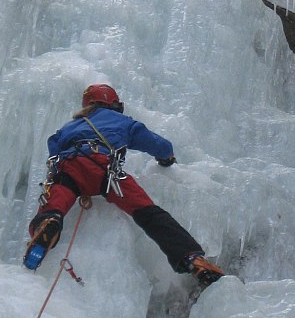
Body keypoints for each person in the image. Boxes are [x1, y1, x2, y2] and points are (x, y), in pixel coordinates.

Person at [24, 84, 225, 287]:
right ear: (114, 104)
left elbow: (54, 148)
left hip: (71, 167)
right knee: (149, 214)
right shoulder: (123, 122)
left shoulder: (69, 126)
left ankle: (49, 222)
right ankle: (191, 258)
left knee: (55, 202)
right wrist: (166, 158)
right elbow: (159, 145)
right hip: (105, 171)